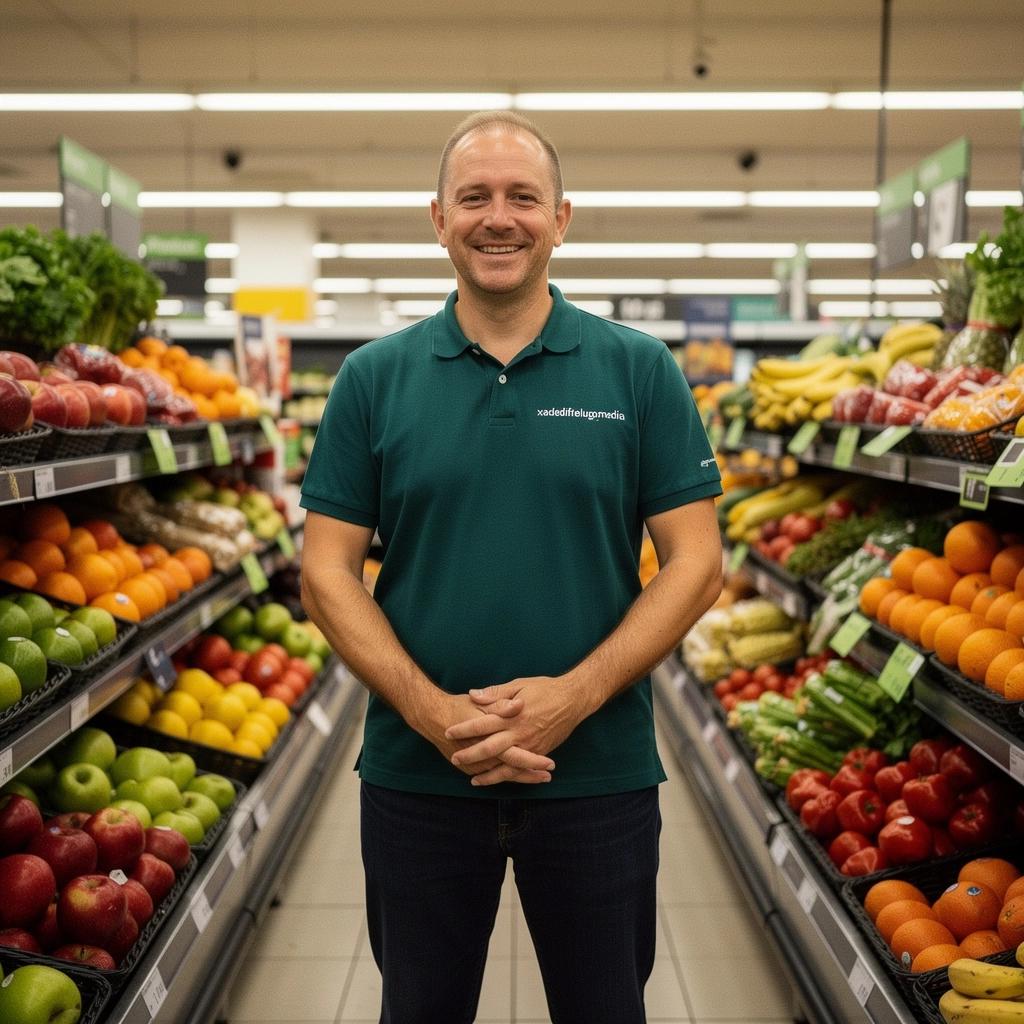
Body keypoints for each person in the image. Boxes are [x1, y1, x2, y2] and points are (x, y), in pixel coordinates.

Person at [299, 110, 723, 1024]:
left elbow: (697, 561)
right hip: (419, 773)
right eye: (475, 197)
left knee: (606, 1009)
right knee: (419, 1009)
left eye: (523, 197)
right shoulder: (372, 378)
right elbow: (326, 572)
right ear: (437, 218)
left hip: (598, 772)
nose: (500, 217)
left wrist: (576, 693)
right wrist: (429, 708)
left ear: (561, 218)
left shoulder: (640, 371)